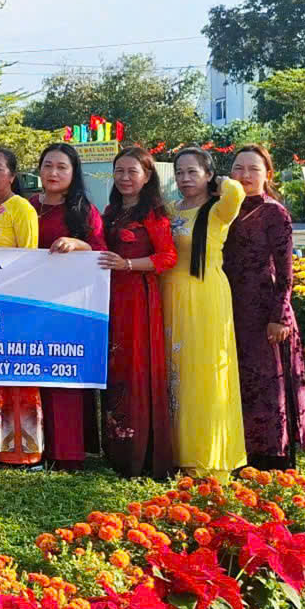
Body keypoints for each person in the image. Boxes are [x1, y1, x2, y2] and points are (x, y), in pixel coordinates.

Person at [224, 144, 305, 470]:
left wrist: (280, 316)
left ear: (267, 174)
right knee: (237, 380)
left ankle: (271, 457)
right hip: (229, 308)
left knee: (266, 383)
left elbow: (286, 272)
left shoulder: (274, 213)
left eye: (253, 169)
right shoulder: (224, 209)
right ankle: (238, 451)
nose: (244, 175)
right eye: (238, 168)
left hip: (264, 312)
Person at [162, 146, 247, 478]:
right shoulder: (171, 209)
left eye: (193, 172)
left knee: (203, 374)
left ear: (209, 174)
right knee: (175, 374)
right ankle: (175, 451)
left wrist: (220, 182)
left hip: (204, 295)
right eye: (179, 172)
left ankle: (204, 457)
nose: (184, 178)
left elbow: (236, 192)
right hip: (168, 293)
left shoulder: (217, 209)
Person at [96, 146, 177, 479]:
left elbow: (167, 257)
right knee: (113, 366)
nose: (125, 177)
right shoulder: (111, 210)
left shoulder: (153, 214)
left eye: (132, 171)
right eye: (119, 171)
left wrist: (128, 264)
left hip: (138, 301)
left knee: (136, 367)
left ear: (147, 176)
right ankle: (115, 449)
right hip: (109, 298)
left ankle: (139, 452)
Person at [30, 142, 106, 471]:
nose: (54, 173)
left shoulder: (83, 211)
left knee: (63, 377)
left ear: (74, 173)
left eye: (62, 167)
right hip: (26, 304)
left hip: (68, 308)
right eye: (48, 165)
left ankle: (68, 452)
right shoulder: (27, 206)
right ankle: (30, 450)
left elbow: (102, 252)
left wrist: (77, 244)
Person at [0, 147, 43, 468]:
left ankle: (25, 451)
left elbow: (30, 257)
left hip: (15, 300)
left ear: (12, 176)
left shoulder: (22, 209)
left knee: (18, 374)